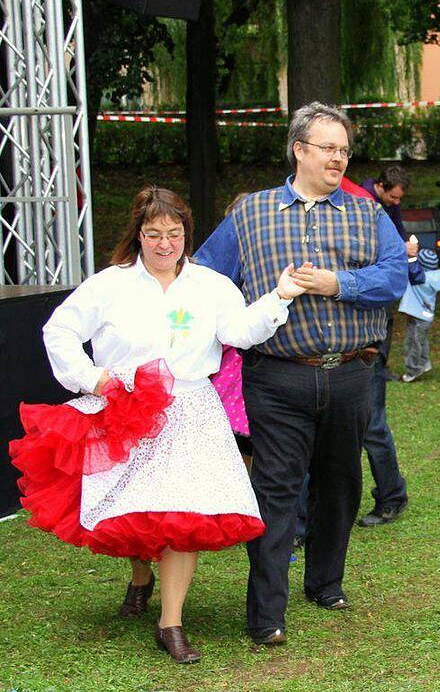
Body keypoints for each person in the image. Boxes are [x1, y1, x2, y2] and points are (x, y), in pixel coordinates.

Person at [9, 187, 304, 663]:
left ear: (187, 234)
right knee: (135, 506)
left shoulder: (210, 285)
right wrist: (92, 378)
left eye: (174, 233)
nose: (165, 244)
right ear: (138, 236)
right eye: (153, 234)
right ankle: (140, 574)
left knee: (182, 514)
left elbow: (237, 332)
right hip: (126, 410)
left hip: (190, 409)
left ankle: (171, 623)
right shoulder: (110, 284)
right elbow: (59, 331)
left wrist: (278, 297)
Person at [196, 102, 407, 645]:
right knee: (276, 491)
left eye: (344, 149)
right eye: (328, 148)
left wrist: (338, 283)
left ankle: (325, 582)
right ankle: (267, 614)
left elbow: (393, 278)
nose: (338, 158)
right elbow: (204, 277)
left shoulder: (367, 213)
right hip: (278, 377)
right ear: (299, 149)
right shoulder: (252, 214)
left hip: (352, 374)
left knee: (340, 485)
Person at [341, 166, 414, 526]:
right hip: (346, 343)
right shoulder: (361, 202)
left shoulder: (369, 208)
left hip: (368, 340)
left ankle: (391, 496)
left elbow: (393, 275)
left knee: (372, 425)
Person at [399, 248, 440, 383]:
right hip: (422, 316)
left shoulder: (421, 278)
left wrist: (411, 257)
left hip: (419, 316)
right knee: (421, 340)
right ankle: (424, 363)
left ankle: (413, 370)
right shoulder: (435, 276)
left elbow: (413, 271)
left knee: (413, 343)